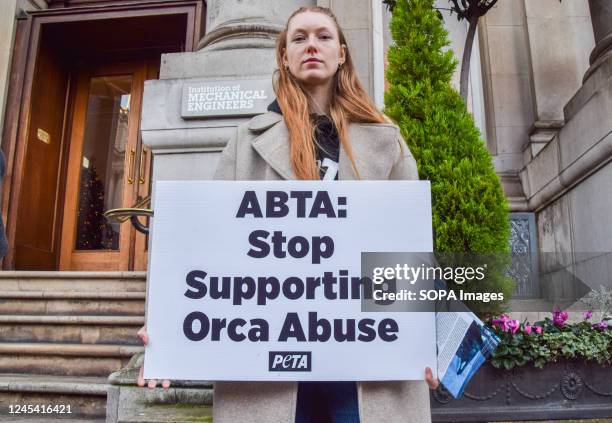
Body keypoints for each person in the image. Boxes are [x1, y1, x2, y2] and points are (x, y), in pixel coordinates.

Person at [138, 6, 439, 422]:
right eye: (299, 38)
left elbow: (408, 250)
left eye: (323, 37)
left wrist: (421, 338)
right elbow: (207, 248)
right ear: (284, 56)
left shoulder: (386, 139)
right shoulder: (246, 142)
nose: (311, 45)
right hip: (268, 360)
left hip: (365, 358)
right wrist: (168, 330)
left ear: (342, 53)